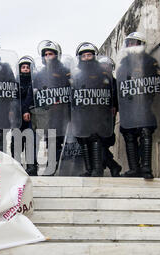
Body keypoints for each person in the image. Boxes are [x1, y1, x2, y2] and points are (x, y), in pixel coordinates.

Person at [116, 32, 160, 179]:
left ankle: (146, 168)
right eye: (129, 43)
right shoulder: (123, 65)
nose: (131, 46)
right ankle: (133, 168)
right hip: (128, 108)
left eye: (133, 43)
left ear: (140, 44)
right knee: (129, 134)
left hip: (144, 106)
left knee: (145, 132)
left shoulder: (149, 62)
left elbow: (158, 84)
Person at [70, 42, 114, 177]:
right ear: (80, 58)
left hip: (98, 113)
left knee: (95, 138)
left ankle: (97, 169)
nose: (87, 58)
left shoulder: (102, 74)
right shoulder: (77, 76)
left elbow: (110, 93)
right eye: (84, 56)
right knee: (83, 139)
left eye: (89, 55)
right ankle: (89, 169)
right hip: (82, 114)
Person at [31, 40, 71, 175]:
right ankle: (52, 167)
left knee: (61, 141)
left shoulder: (65, 71)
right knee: (51, 141)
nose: (48, 56)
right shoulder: (39, 74)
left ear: (57, 55)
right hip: (48, 114)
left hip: (64, 113)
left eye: (51, 54)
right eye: (46, 54)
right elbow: (35, 94)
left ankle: (58, 168)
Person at [11, 55, 37, 175]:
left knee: (30, 140)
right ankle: (16, 165)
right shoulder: (15, 83)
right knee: (16, 141)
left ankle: (32, 167)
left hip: (31, 115)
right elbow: (13, 99)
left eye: (28, 67)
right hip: (17, 116)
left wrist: (26, 110)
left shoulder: (35, 82)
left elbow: (31, 98)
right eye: (23, 67)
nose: (26, 69)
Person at [98, 56, 122, 177]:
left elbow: (118, 98)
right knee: (96, 143)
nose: (105, 69)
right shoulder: (95, 82)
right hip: (96, 117)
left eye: (107, 66)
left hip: (107, 119)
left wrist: (115, 106)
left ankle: (112, 166)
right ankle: (112, 166)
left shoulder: (115, 83)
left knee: (101, 143)